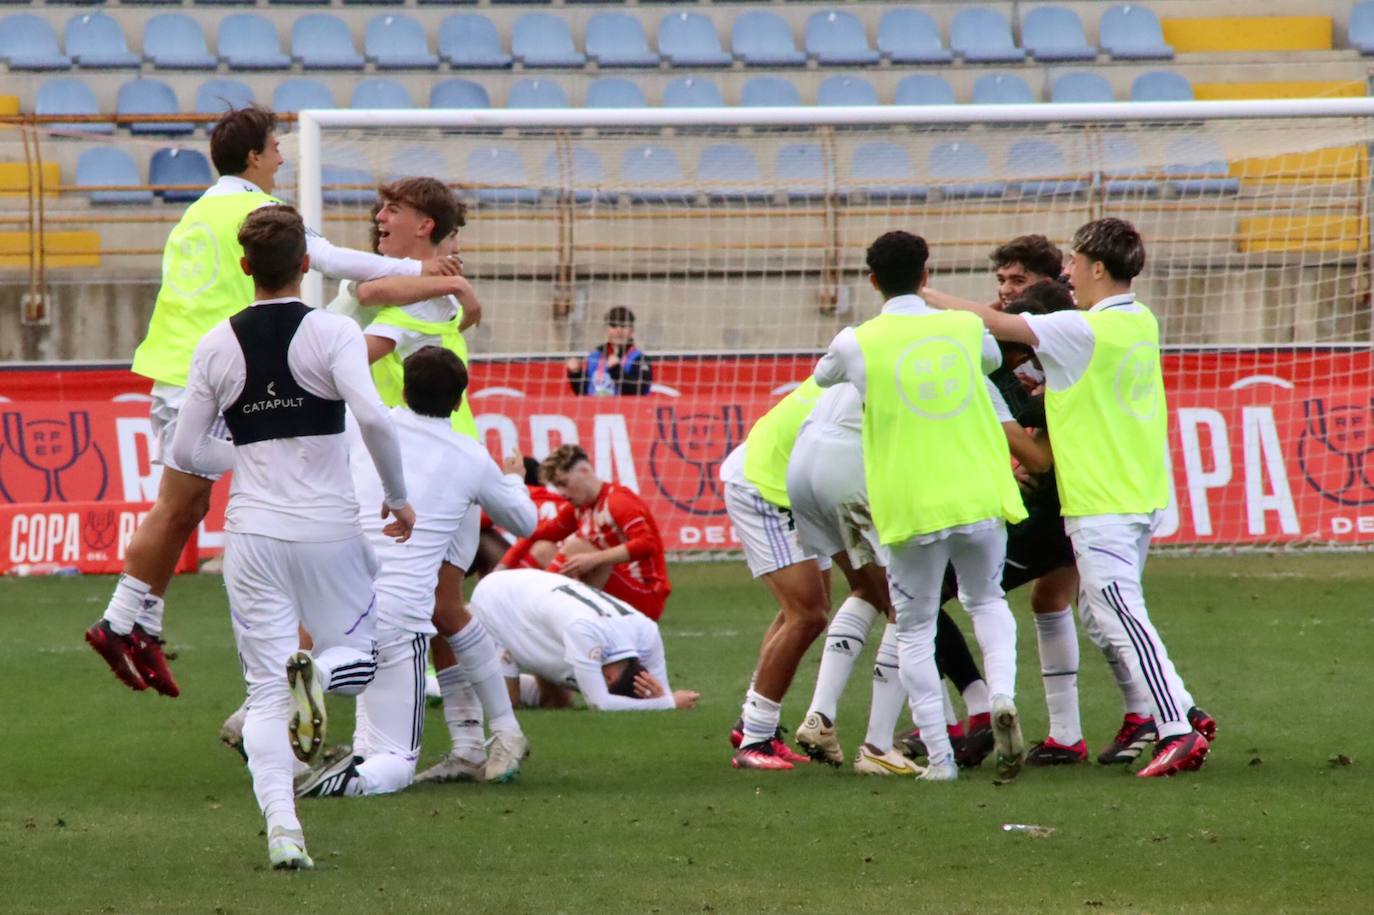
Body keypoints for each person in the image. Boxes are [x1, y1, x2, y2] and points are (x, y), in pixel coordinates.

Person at [84, 105, 454, 697]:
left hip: (183, 365)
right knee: (180, 504)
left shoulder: (196, 212)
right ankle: (120, 621)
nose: (283, 157)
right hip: (210, 370)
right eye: (277, 147)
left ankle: (138, 623)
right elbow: (332, 260)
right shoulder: (257, 210)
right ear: (254, 156)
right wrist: (419, 267)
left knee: (187, 504)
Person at [170, 205, 415, 869]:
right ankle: (322, 672)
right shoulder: (332, 332)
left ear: (246, 267)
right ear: (306, 264)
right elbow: (375, 419)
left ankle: (284, 830)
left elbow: (185, 447)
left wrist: (246, 458)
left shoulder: (216, 342)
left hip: (251, 536)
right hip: (327, 528)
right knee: (366, 653)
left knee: (265, 695)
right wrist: (396, 497)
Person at [937, 217, 1215, 779]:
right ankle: (1184, 711)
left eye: (1073, 262)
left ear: (1097, 268)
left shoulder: (1081, 330)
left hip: (1103, 501)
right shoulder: (1139, 320)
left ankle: (1177, 731)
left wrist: (914, 292)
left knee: (1124, 616)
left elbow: (990, 319)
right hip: (1137, 494)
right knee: (1111, 617)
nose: (1066, 272)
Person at [814, 230, 1029, 784]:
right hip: (979, 491)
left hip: (910, 504)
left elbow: (823, 377)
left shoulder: (856, 340)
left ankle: (939, 759)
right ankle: (1001, 694)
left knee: (914, 628)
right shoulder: (964, 327)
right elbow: (986, 361)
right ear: (927, 274)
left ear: (872, 281)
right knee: (987, 602)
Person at [293, 347, 537, 799]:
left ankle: (315, 686)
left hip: (334, 598)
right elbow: (526, 523)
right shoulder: (471, 456)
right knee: (397, 760)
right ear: (461, 402)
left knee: (413, 629)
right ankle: (354, 774)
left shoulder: (363, 427)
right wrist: (515, 480)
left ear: (402, 389)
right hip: (399, 617)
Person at [718, 379, 831, 771]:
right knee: (808, 614)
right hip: (762, 486)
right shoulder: (867, 390)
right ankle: (754, 741)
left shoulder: (861, 373)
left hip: (799, 487)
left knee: (807, 608)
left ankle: (751, 722)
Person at [468, 569, 698, 712]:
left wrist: (660, 698)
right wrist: (667, 703)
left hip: (535, 600)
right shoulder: (585, 631)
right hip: (497, 601)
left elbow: (662, 692)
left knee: (558, 703)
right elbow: (599, 703)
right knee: (507, 704)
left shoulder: (647, 631)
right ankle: (436, 686)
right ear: (609, 677)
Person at [499, 445, 671, 620]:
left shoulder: (617, 501)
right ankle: (515, 601)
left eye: (564, 484)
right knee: (543, 549)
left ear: (585, 471)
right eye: (557, 487)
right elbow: (540, 534)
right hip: (615, 589)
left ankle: (531, 608)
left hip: (645, 597)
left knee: (578, 548)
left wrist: (594, 559)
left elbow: (647, 544)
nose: (562, 493)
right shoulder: (578, 507)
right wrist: (502, 569)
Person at [565, 306, 653, 396]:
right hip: (596, 408)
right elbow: (584, 392)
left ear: (631, 330)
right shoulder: (595, 356)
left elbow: (641, 391)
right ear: (606, 329)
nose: (618, 331)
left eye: (623, 326)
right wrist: (576, 373)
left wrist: (616, 370)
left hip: (624, 409)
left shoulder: (639, 359)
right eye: (613, 326)